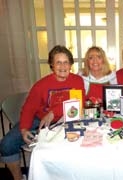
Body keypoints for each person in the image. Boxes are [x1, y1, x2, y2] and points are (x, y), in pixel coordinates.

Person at [0, 45, 85, 180]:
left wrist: (53, 112)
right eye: (58, 62)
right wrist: (24, 129)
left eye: (66, 62)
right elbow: (29, 108)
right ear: (52, 65)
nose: (62, 66)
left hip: (66, 118)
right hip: (39, 120)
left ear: (70, 65)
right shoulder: (41, 85)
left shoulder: (77, 81)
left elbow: (76, 104)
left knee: (71, 146)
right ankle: (18, 177)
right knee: (7, 144)